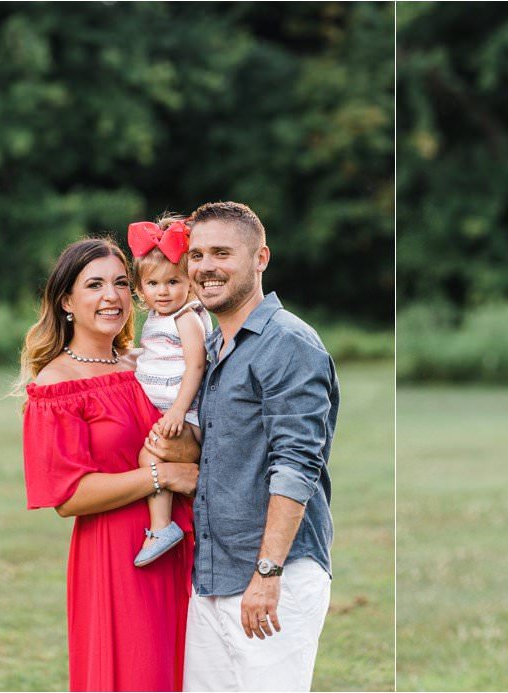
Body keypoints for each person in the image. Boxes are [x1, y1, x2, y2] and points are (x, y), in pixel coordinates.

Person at [144, 201, 338, 691]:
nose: (206, 266)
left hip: (273, 578)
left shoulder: (288, 343)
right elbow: (218, 448)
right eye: (197, 254)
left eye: (222, 253)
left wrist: (268, 573)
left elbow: (295, 465)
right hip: (211, 576)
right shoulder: (211, 349)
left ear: (260, 259)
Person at [19, 237, 199, 691]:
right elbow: (68, 495)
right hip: (119, 556)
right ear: (66, 301)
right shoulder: (57, 383)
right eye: (94, 285)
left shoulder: (143, 365)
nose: (112, 296)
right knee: (140, 675)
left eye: (121, 283)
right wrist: (162, 475)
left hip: (184, 544)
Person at [128, 216, 211, 568]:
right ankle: (164, 524)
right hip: (170, 411)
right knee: (149, 459)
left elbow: (196, 365)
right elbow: (154, 355)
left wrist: (178, 410)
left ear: (190, 283)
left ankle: (162, 526)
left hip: (184, 413)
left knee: (149, 459)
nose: (163, 291)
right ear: (141, 289)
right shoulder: (158, 318)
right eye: (153, 284)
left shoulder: (187, 317)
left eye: (173, 282)